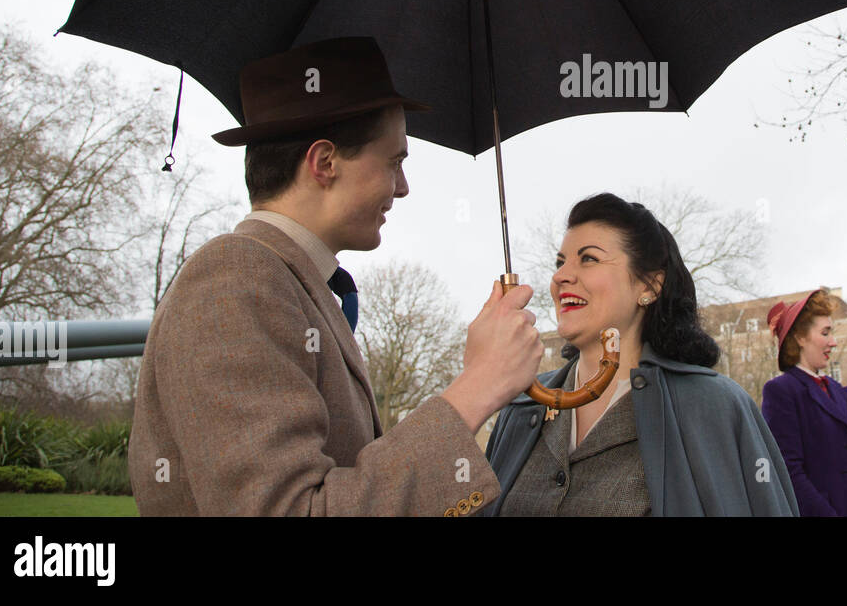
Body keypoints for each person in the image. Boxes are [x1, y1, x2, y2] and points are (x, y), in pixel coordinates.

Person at [128, 37, 543, 515]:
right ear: (324, 163)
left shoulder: (292, 284)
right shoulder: (234, 277)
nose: (403, 188)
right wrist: (479, 385)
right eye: (394, 162)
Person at [484, 193, 797, 515]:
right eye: (560, 261)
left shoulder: (714, 406)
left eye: (588, 258)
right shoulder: (520, 407)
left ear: (649, 286)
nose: (560, 276)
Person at [761, 289, 847, 517]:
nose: (833, 342)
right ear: (800, 337)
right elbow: (789, 471)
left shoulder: (836, 390)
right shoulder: (781, 391)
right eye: (825, 333)